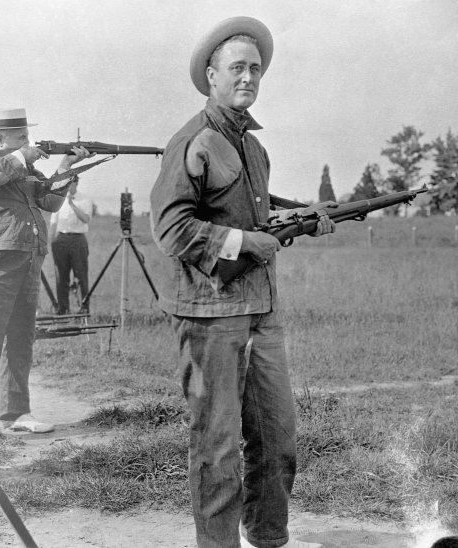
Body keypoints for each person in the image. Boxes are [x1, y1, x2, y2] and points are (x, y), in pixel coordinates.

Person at [150, 17, 336, 548]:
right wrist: (243, 244)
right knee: (217, 447)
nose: (249, 77)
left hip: (263, 312)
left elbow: (256, 208)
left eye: (256, 68)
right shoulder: (193, 141)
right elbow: (170, 227)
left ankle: (268, 538)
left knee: (277, 440)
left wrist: (308, 213)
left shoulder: (254, 148)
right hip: (211, 317)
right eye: (237, 68)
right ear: (212, 75)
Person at [0, 108, 94, 442]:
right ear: (0, 138)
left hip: (29, 260)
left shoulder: (24, 168)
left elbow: (48, 202)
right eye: (22, 138)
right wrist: (21, 156)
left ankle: (16, 413)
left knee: (21, 340)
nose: (28, 142)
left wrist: (64, 168)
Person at [49, 175, 93, 315]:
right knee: (61, 277)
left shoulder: (85, 199)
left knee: (81, 276)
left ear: (76, 183)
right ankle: (62, 309)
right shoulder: (58, 200)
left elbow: (85, 219)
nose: (67, 187)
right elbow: (53, 222)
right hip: (60, 239)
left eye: (70, 184)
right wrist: (51, 241)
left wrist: (72, 205)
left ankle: (83, 309)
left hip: (78, 240)